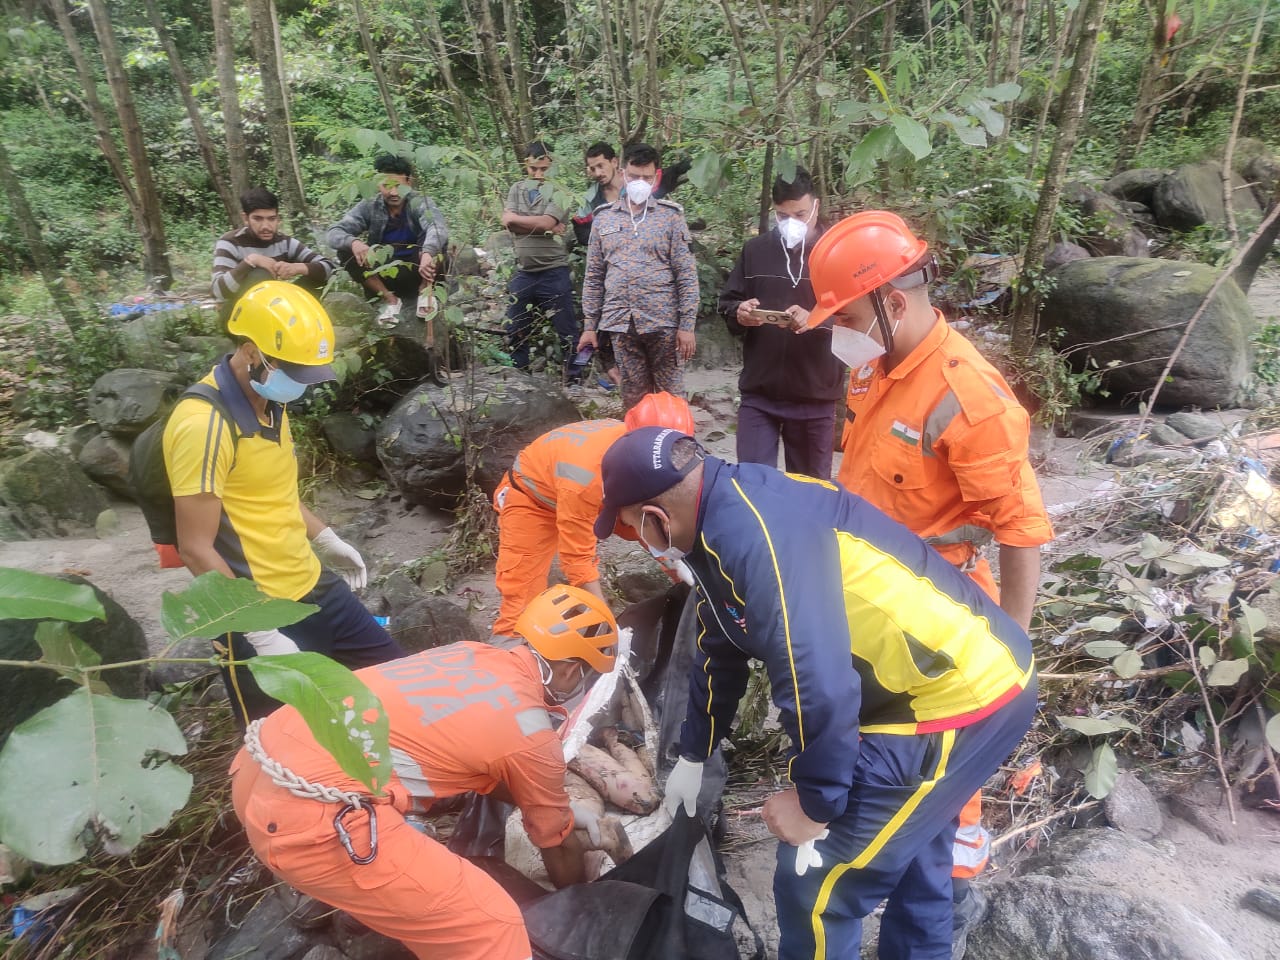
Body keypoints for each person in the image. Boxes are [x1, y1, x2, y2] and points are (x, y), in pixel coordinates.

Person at [593, 426, 1038, 960]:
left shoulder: (759, 538)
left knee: (816, 884)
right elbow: (722, 642)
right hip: (935, 683)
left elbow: (814, 681)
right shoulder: (724, 512)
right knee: (916, 849)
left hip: (954, 700)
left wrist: (815, 804)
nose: (641, 545)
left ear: (656, 519)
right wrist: (694, 748)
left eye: (632, 530)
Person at [802, 210, 1055, 955]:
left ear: (894, 302)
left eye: (843, 315)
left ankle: (924, 932)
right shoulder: (871, 366)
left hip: (938, 625)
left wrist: (1008, 647)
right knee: (888, 782)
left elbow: (1021, 529)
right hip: (868, 611)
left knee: (931, 801)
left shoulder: (969, 398)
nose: (837, 330)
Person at [231, 584, 613, 960]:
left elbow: (486, 761)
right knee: (493, 927)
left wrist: (548, 809)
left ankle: (356, 900)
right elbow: (557, 843)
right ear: (569, 668)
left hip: (260, 761)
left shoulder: (466, 653)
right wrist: (576, 902)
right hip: (309, 818)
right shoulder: (532, 732)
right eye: (588, 674)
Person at [164, 281, 403, 725]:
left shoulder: (272, 404)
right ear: (252, 351)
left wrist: (325, 537)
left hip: (313, 584)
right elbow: (194, 547)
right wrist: (258, 628)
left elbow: (275, 493)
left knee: (397, 678)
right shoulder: (203, 425)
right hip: (258, 607)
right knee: (285, 737)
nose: (302, 384)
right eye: (294, 370)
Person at [490, 391, 695, 639]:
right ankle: (510, 658)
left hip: (595, 492)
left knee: (659, 532)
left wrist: (684, 569)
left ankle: (691, 588)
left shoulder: (648, 448)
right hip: (532, 500)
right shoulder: (585, 478)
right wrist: (611, 631)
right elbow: (578, 562)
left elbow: (660, 521)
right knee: (521, 601)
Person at [717, 167, 844, 479]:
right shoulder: (756, 250)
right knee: (753, 485)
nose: (792, 223)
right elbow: (728, 302)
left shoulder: (837, 253)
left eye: (800, 214)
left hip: (815, 394)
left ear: (816, 205)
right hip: (760, 393)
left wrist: (817, 318)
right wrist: (740, 312)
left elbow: (857, 318)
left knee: (811, 491)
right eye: (783, 215)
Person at [577, 142, 700, 411]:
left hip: (664, 325)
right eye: (634, 176)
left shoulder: (671, 216)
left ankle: (676, 450)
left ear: (656, 177)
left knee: (671, 402)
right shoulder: (603, 218)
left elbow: (686, 275)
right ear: (623, 173)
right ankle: (638, 451)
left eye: (646, 177)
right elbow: (595, 276)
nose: (639, 182)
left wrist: (687, 325)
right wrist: (590, 325)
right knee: (634, 401)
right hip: (621, 325)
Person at [326, 154, 449, 327]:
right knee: (345, 250)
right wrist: (354, 243)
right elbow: (333, 232)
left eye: (398, 186)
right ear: (378, 184)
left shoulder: (420, 202)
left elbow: (438, 227)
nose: (393, 193)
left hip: (420, 269)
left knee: (435, 238)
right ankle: (389, 299)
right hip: (385, 273)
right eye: (386, 186)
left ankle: (425, 292)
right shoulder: (370, 205)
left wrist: (428, 252)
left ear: (409, 183)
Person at [501, 140, 578, 378]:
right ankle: (520, 373)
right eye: (534, 168)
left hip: (554, 270)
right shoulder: (516, 189)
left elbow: (540, 222)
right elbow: (506, 222)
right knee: (515, 325)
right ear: (526, 164)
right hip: (525, 271)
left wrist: (522, 222)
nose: (538, 174)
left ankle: (575, 376)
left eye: (543, 169)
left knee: (566, 328)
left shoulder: (560, 192)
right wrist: (545, 227)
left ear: (551, 166)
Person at [211, 187, 335, 322]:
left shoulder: (285, 243)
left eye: (271, 219)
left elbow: (331, 268)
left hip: (276, 309)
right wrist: (250, 262)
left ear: (278, 219)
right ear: (246, 218)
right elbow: (218, 292)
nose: (266, 226)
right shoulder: (230, 242)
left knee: (315, 277)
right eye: (258, 219)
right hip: (237, 314)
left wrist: (298, 268)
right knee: (260, 274)